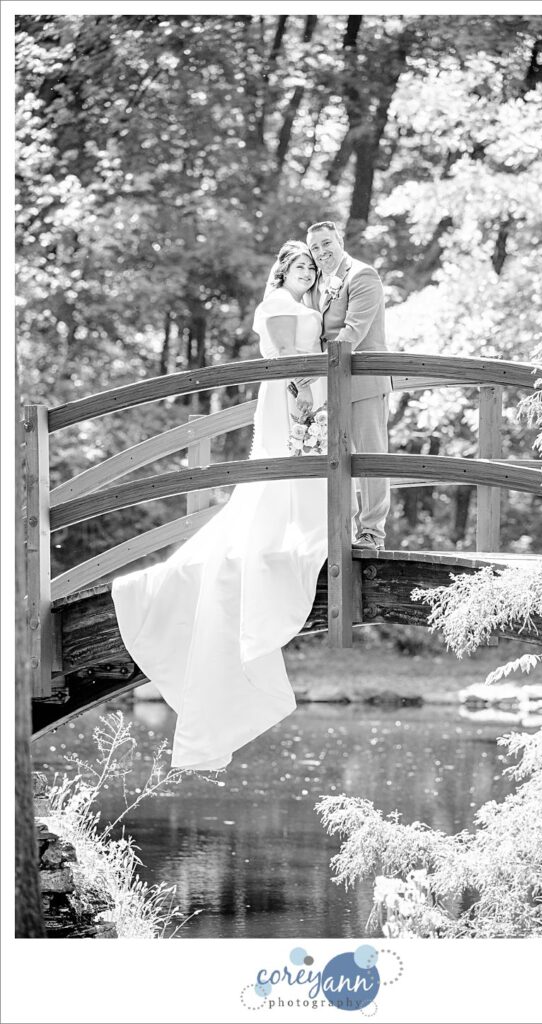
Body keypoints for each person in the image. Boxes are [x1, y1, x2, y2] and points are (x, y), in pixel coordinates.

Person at [112, 241, 327, 772]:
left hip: (308, 392)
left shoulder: (307, 306)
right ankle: (279, 529)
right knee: (284, 463)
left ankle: (297, 527)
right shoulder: (279, 306)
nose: (306, 272)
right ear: (284, 270)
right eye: (300, 266)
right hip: (290, 394)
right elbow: (285, 358)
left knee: (301, 471)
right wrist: (304, 396)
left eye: (312, 268)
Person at [296, 220, 391, 550]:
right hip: (332, 385)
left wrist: (316, 370)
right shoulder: (318, 284)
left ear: (340, 241)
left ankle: (372, 534)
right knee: (338, 458)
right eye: (315, 248)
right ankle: (344, 533)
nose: (321, 252)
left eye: (326, 243)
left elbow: (353, 333)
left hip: (363, 381)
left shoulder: (362, 275)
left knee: (370, 458)